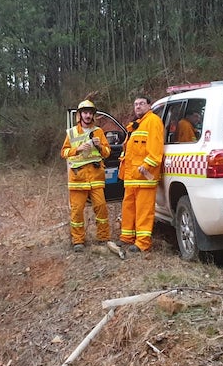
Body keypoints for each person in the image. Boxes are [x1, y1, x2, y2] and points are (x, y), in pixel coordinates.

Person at [60, 100, 112, 251]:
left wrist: (99, 146)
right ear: (80, 115)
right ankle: (78, 241)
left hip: (95, 177)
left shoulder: (99, 132)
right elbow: (63, 152)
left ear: (93, 115)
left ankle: (103, 238)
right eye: (85, 113)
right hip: (78, 178)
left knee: (101, 208)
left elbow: (107, 152)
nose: (88, 115)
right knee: (77, 211)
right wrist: (77, 149)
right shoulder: (71, 133)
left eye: (90, 113)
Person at [118, 96, 164, 253]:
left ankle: (142, 243)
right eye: (136, 104)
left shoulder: (153, 121)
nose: (138, 106)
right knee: (128, 208)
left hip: (144, 176)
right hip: (131, 177)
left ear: (149, 106)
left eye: (142, 104)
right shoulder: (135, 125)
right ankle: (127, 237)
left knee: (144, 211)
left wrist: (145, 166)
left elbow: (156, 151)